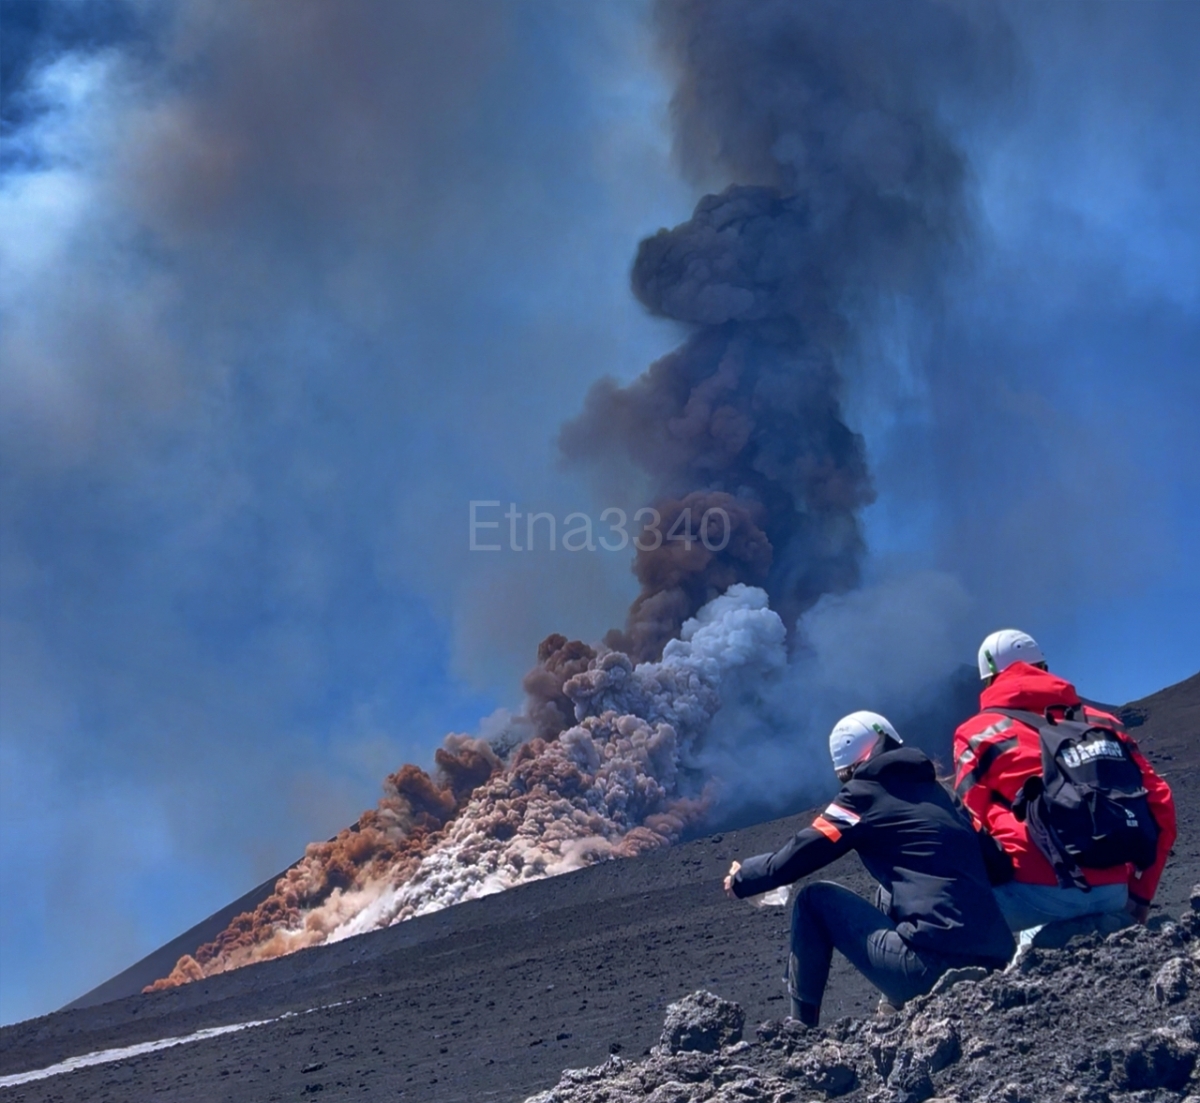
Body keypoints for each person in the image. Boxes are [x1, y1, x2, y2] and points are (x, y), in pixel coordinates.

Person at [724, 711, 1015, 1027]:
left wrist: (743, 878)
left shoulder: (862, 794)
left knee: (813, 900)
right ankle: (895, 1010)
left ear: (850, 768)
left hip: (928, 969)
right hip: (996, 962)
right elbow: (998, 864)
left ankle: (800, 1031)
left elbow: (802, 853)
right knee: (888, 891)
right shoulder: (944, 794)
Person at [953, 628, 1176, 933]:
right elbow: (1160, 803)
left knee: (954, 904)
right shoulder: (1105, 722)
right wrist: (1140, 895)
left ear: (989, 678)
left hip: (1034, 893)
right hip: (1113, 891)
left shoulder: (978, 732)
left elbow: (967, 822)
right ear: (1043, 667)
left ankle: (1014, 958)